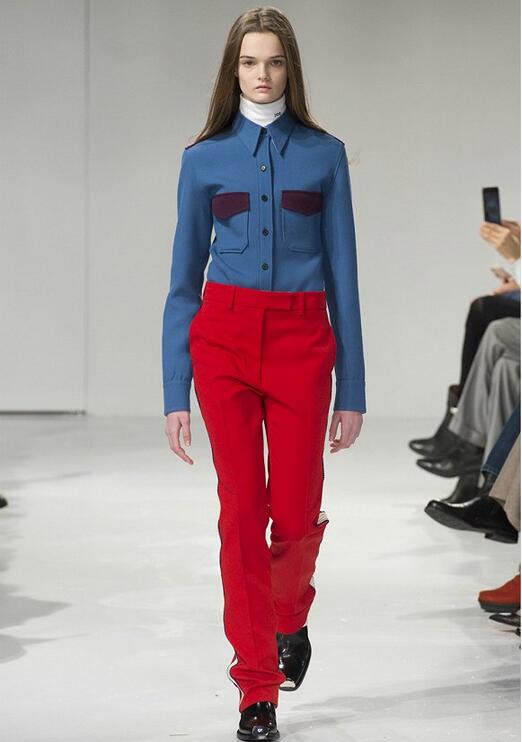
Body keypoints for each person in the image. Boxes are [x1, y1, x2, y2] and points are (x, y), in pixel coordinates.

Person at [161, 7, 367, 741]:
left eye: (274, 61)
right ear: (233, 69)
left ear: (290, 69)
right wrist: (174, 388)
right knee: (241, 514)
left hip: (303, 342)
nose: (262, 74)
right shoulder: (203, 159)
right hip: (223, 342)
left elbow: (344, 279)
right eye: (250, 61)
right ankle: (256, 689)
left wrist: (354, 388)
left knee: (297, 509)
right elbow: (183, 283)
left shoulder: (325, 155)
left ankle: (289, 613)